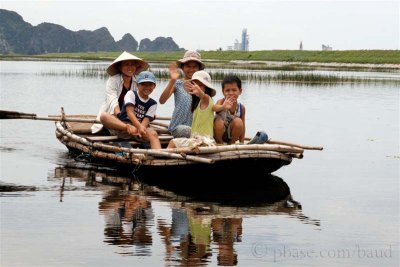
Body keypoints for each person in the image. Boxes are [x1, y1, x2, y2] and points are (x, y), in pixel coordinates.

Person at [99, 71, 161, 149]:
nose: (147, 87)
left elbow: (146, 120)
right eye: (143, 84)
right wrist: (131, 127)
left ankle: (159, 155)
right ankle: (127, 128)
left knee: (153, 134)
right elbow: (130, 112)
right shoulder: (131, 94)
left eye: (150, 85)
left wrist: (141, 129)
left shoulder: (153, 103)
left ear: (154, 86)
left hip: (140, 130)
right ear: (137, 85)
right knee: (104, 116)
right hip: (124, 125)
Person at [91, 51, 149, 134]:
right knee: (104, 116)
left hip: (131, 118)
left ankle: (132, 128)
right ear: (120, 67)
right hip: (114, 116)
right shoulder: (112, 81)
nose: (130, 67)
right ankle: (127, 127)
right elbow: (113, 102)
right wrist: (120, 116)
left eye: (132, 64)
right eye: (126, 64)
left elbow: (141, 102)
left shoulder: (138, 82)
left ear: (136, 67)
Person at [159, 50, 205, 138]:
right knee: (187, 130)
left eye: (194, 67)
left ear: (199, 69)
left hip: (196, 128)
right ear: (183, 67)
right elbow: (162, 101)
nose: (191, 69)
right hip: (178, 127)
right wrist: (172, 81)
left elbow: (208, 105)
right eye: (188, 66)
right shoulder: (177, 84)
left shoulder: (203, 86)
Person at [167, 70, 217, 149]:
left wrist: (199, 91)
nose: (196, 87)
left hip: (203, 140)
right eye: (195, 85)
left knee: (172, 142)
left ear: (206, 88)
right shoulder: (197, 104)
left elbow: (202, 95)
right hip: (198, 139)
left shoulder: (206, 98)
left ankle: (166, 158)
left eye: (200, 85)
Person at [213, 75, 246, 144]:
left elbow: (243, 127)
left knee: (239, 122)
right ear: (223, 92)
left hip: (231, 135)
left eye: (234, 90)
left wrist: (242, 142)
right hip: (219, 134)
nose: (231, 93)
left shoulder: (241, 108)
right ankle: (220, 143)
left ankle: (231, 143)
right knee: (218, 122)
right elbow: (214, 108)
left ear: (240, 91)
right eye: (227, 90)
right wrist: (223, 106)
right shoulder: (221, 102)